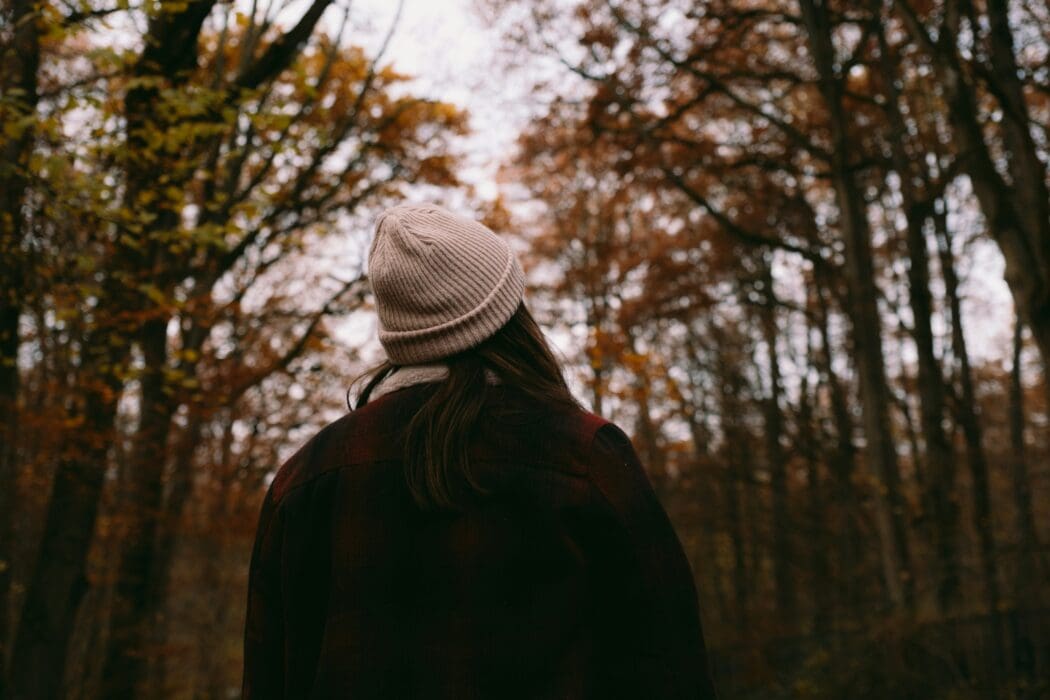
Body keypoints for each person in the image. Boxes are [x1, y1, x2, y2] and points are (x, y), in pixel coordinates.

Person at [241, 203, 719, 699]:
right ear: (510, 317)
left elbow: (268, 679)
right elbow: (671, 666)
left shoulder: (307, 478)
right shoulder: (585, 457)